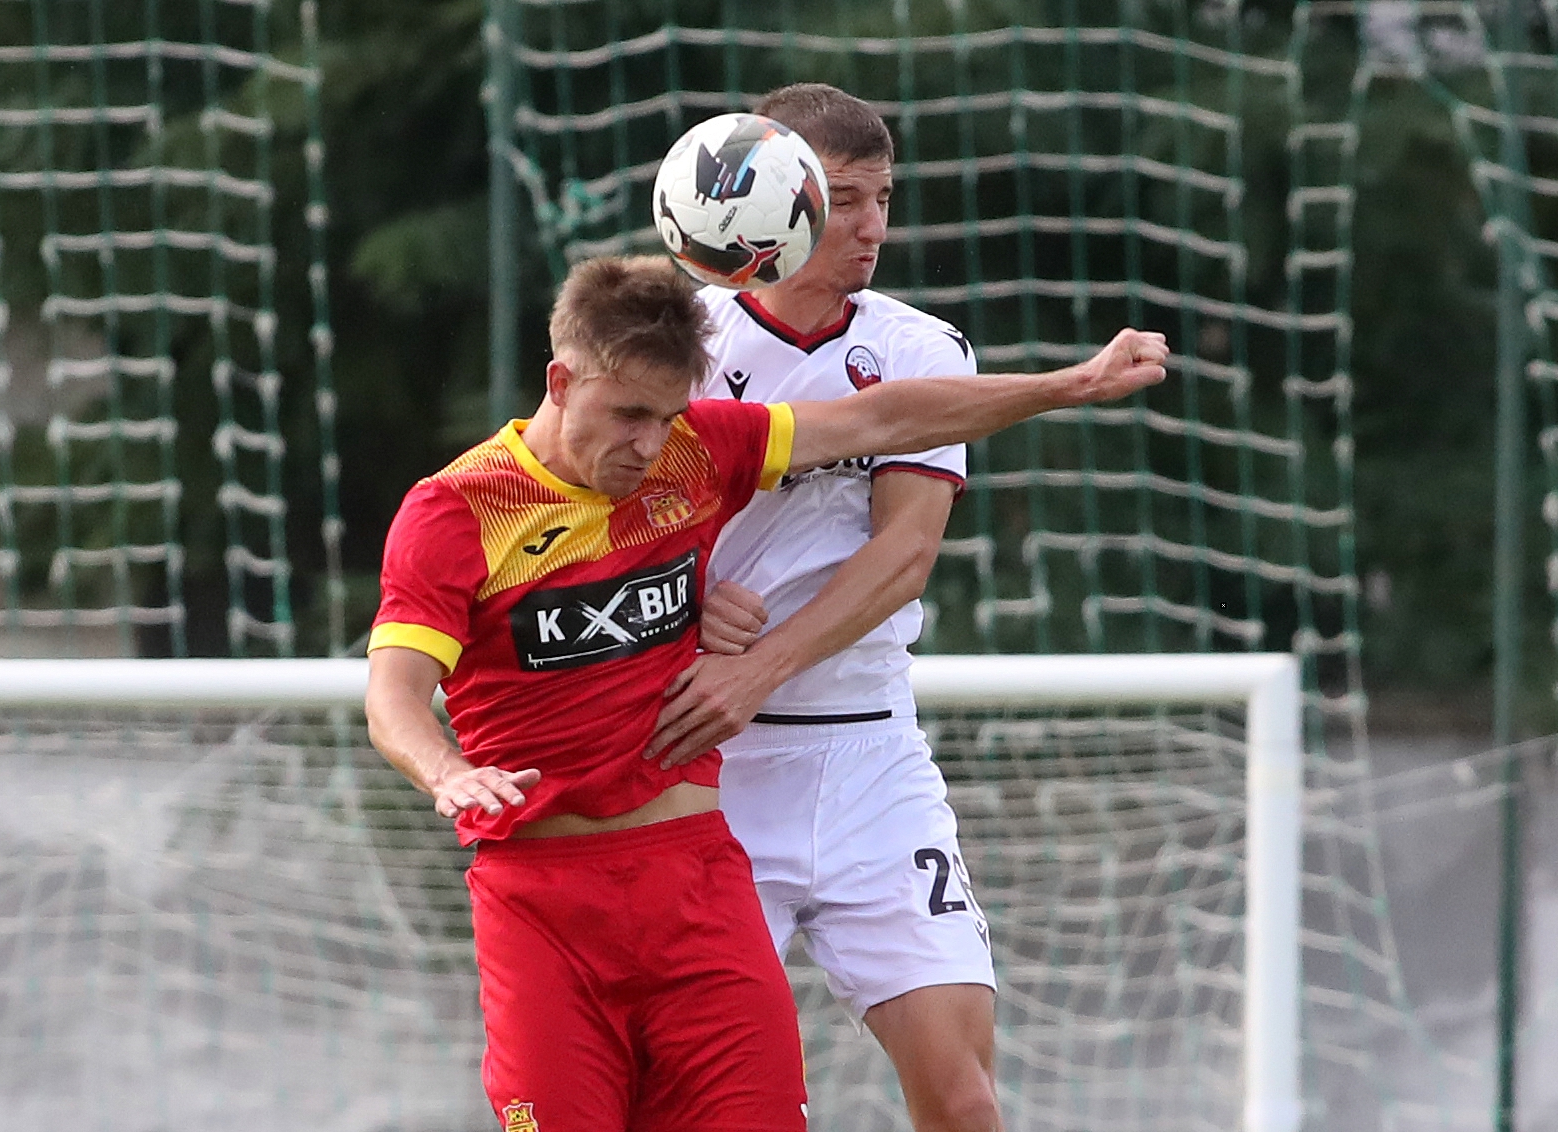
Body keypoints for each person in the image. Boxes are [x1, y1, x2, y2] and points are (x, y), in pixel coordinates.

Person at [364, 253, 1166, 1132]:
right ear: (560, 382)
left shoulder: (696, 450)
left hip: (698, 881)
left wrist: (1071, 384)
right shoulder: (456, 511)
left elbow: (881, 417)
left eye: (666, 416)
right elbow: (393, 696)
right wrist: (446, 771)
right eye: (628, 414)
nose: (648, 445)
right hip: (542, 907)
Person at [642, 83, 1020, 1132]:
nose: (872, 227)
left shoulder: (920, 349)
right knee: (698, 1104)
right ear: (774, 200)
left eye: (883, 199)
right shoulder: (678, 344)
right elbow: (598, 516)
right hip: (705, 770)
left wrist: (756, 666)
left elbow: (905, 554)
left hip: (870, 760)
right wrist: (683, 599)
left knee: (963, 1102)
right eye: (845, 199)